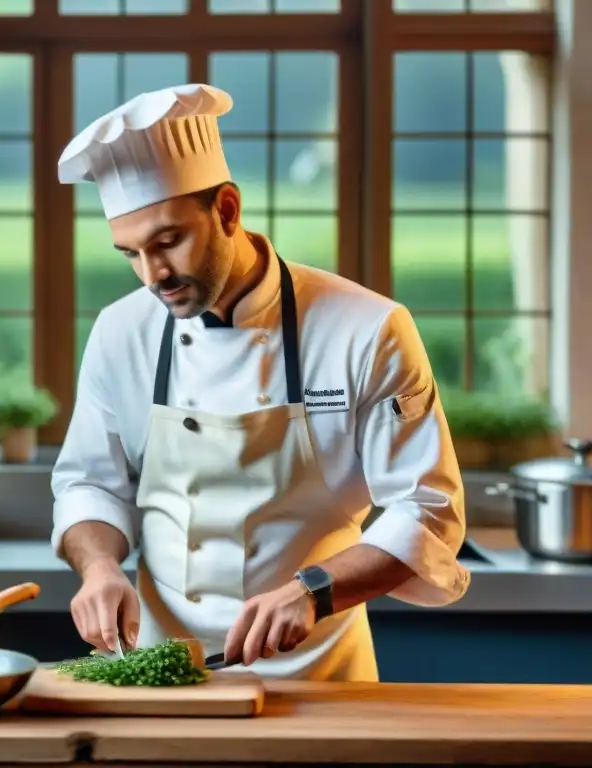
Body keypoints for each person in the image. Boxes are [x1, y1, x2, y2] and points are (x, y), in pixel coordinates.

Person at [50, 83, 469, 682]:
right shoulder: (120, 332)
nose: (154, 275)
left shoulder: (367, 328)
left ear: (226, 209)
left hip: (321, 676)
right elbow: (89, 482)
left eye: (168, 242)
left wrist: (311, 591)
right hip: (164, 673)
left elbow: (427, 511)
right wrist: (99, 570)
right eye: (131, 254)